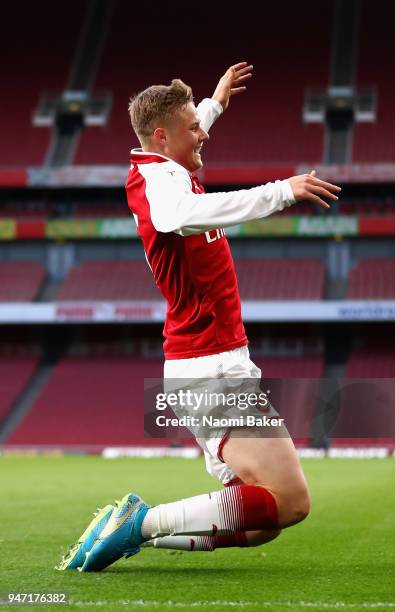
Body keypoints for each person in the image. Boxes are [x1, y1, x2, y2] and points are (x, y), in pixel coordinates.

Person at [57, 62, 341, 571]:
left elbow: (179, 152)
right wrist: (280, 191)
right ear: (162, 136)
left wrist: (212, 102)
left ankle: (134, 535)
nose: (203, 134)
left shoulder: (164, 168)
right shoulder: (158, 183)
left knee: (260, 525)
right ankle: (140, 524)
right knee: (291, 500)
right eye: (194, 127)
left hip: (213, 363)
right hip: (208, 366)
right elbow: (176, 216)